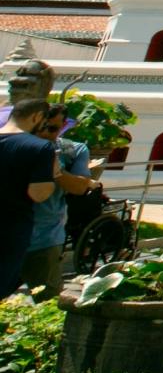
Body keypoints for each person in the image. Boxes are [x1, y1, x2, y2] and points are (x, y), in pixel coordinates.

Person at [23, 104, 97, 300]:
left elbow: (81, 187)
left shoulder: (72, 150)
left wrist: (56, 171)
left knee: (45, 298)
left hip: (43, 239)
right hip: (8, 235)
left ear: (63, 126)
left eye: (53, 129)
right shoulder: (14, 146)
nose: (45, 135)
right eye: (40, 128)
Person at [0, 99, 59, 298]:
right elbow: (38, 193)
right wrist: (53, 175)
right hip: (10, 229)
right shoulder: (40, 148)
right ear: (37, 117)